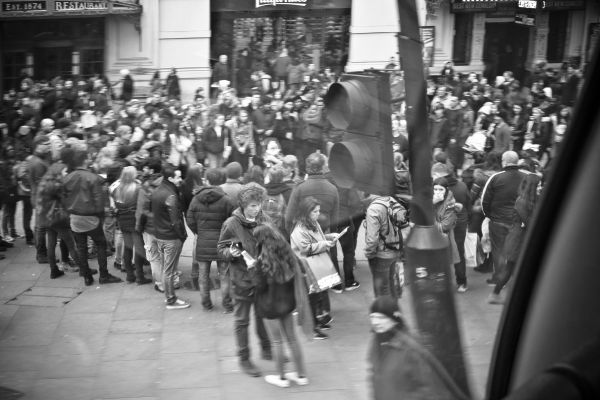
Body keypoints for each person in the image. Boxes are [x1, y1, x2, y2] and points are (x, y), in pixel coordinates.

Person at [217, 182, 272, 377]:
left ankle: (267, 349)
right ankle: (244, 358)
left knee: (262, 314)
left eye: (259, 205)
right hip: (242, 280)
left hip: (262, 277)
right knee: (242, 320)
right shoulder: (231, 224)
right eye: (252, 206)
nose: (257, 210)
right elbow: (220, 249)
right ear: (243, 205)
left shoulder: (263, 218)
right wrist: (230, 253)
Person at [367, 295, 469, 400]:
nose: (375, 322)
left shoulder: (411, 349)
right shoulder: (375, 343)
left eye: (381, 318)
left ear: (394, 319)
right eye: (373, 317)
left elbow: (432, 389)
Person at [252, 224, 311, 388]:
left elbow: (259, 286)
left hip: (269, 306)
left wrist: (253, 268)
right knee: (292, 339)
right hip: (287, 303)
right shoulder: (289, 256)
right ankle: (301, 375)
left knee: (277, 342)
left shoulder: (263, 261)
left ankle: (282, 377)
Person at [62, 142, 122, 286]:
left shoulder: (68, 177)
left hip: (74, 217)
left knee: (81, 247)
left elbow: (63, 198)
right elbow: (99, 201)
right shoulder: (92, 178)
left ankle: (87, 276)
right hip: (91, 217)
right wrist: (101, 216)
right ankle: (104, 275)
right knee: (101, 244)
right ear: (85, 160)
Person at [290, 196, 339, 339]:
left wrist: (329, 237)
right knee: (312, 298)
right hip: (307, 268)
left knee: (317, 295)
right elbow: (305, 248)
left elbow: (319, 239)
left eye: (318, 211)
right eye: (315, 212)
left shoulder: (313, 222)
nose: (318, 214)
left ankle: (316, 322)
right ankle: (312, 328)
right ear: (306, 212)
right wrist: (325, 244)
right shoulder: (299, 229)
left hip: (315, 264)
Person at [186, 167, 235, 311]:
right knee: (225, 275)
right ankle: (227, 304)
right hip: (222, 243)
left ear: (206, 180)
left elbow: (190, 220)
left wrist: (199, 232)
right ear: (222, 181)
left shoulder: (196, 199)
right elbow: (234, 221)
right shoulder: (227, 200)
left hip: (202, 242)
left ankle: (206, 304)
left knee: (203, 275)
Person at [489, 173, 540, 304]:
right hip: (518, 240)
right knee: (510, 270)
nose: (541, 187)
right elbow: (529, 221)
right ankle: (496, 295)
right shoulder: (522, 201)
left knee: (512, 270)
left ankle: (497, 295)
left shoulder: (528, 200)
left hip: (519, 238)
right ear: (532, 186)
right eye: (538, 185)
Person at [481, 151, 529, 286]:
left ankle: (499, 279)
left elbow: (485, 201)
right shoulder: (528, 177)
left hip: (498, 221)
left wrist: (489, 216)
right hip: (520, 222)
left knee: (499, 251)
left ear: (504, 162)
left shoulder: (495, 178)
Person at [151, 163, 190, 309]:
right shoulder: (171, 195)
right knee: (169, 270)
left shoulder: (157, 191)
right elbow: (176, 221)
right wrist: (182, 236)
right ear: (170, 178)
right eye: (178, 177)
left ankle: (169, 297)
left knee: (166, 269)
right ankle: (171, 300)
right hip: (171, 238)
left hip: (160, 235)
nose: (180, 179)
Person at [111, 166, 152, 285]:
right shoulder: (138, 188)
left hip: (123, 221)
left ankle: (130, 275)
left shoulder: (117, 189)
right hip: (135, 221)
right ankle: (140, 276)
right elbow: (142, 207)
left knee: (128, 248)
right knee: (139, 249)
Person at [364, 193, 407, 299]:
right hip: (395, 249)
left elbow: (372, 239)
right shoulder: (391, 200)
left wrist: (369, 253)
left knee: (382, 290)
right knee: (392, 283)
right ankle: (394, 311)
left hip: (382, 253)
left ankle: (385, 312)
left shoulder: (373, 209)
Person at [136, 157, 165, 292]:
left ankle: (160, 284)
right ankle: (172, 279)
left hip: (149, 228)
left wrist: (139, 227)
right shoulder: (167, 185)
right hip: (165, 227)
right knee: (166, 255)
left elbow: (141, 211)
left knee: (154, 258)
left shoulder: (144, 187)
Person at [433, 177, 461, 278]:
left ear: (446, 190)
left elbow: (445, 226)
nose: (437, 192)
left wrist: (428, 219)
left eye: (441, 189)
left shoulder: (450, 204)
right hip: (429, 239)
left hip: (442, 240)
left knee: (441, 269)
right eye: (435, 189)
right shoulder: (431, 200)